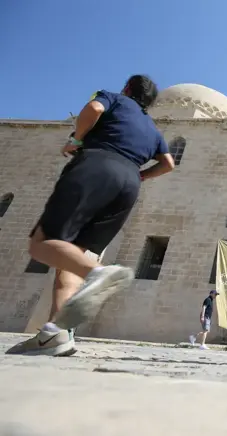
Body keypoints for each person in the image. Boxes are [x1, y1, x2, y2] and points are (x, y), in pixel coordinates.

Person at [6, 75, 175, 357]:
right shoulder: (152, 128)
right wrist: (141, 176)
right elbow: (168, 164)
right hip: (129, 184)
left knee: (41, 243)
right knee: (70, 259)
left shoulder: (113, 97)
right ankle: (55, 334)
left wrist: (76, 138)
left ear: (127, 89)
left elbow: (94, 110)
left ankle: (98, 274)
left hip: (97, 165)